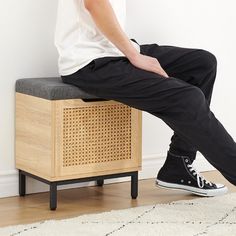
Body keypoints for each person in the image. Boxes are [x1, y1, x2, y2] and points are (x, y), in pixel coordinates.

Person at [54, 0, 236, 197]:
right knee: (187, 98)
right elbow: (95, 4)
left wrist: (132, 52)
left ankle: (178, 164)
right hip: (87, 62)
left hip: (113, 52)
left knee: (202, 64)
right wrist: (134, 55)